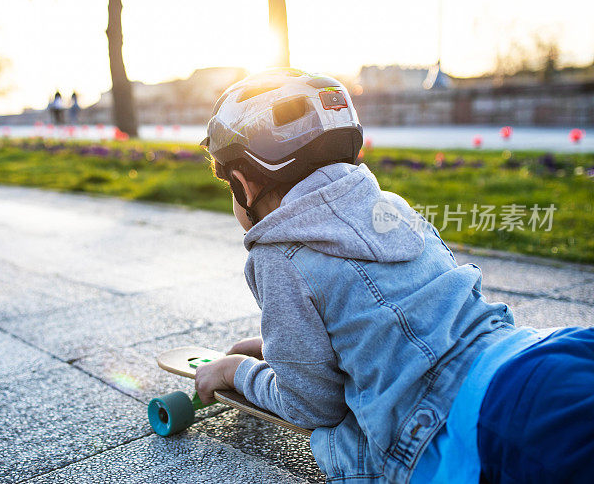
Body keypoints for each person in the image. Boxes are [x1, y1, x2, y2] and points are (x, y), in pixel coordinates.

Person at [195, 68, 594, 484]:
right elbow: (389, 316)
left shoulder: (278, 253)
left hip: (470, 418)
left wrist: (235, 371)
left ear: (242, 184)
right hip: (533, 354)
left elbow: (313, 409)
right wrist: (284, 351)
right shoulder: (393, 208)